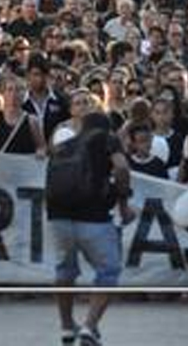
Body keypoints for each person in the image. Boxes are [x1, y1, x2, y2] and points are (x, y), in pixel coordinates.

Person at [47, 112, 134, 346]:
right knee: (109, 270)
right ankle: (89, 326)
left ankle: (66, 327)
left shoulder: (62, 146)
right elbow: (122, 168)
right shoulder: (107, 138)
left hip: (58, 217)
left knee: (65, 270)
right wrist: (123, 204)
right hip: (93, 217)